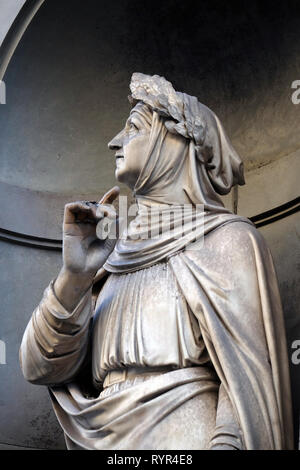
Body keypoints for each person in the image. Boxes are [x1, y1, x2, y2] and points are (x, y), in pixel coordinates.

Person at [19, 73, 294, 450]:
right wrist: (75, 276)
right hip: (101, 437)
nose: (115, 141)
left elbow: (246, 383)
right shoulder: (111, 257)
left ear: (173, 141)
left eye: (133, 128)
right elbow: (38, 368)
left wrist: (229, 443)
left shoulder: (229, 240)